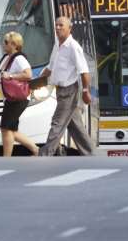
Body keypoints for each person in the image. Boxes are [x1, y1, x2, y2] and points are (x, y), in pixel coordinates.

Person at [38, 17, 94, 156]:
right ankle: (91, 154)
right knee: (75, 125)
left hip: (69, 91)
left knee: (57, 123)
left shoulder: (73, 47)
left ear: (70, 28)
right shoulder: (57, 44)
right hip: (60, 91)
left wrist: (86, 92)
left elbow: (84, 71)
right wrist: (36, 81)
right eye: (56, 25)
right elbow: (51, 67)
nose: (57, 28)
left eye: (61, 25)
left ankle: (45, 154)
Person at [0, 32, 39, 156]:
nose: (3, 44)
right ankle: (36, 150)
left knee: (5, 128)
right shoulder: (6, 58)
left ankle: (7, 158)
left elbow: (28, 74)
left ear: (14, 44)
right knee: (11, 130)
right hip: (10, 99)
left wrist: (11, 76)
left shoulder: (19, 58)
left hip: (18, 99)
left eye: (6, 42)